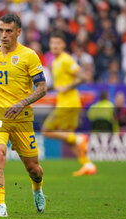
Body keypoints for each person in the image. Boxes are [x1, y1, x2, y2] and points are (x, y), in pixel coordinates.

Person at [0, 14, 47, 217]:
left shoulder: (29, 55)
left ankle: (37, 189)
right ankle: (0, 205)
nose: (3, 35)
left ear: (18, 32)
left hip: (21, 118)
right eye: (1, 30)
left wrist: (21, 103)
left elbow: (42, 88)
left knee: (34, 169)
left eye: (9, 31)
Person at [41, 31, 97, 176]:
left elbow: (82, 77)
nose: (54, 46)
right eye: (52, 43)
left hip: (68, 103)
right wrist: (46, 89)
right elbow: (59, 84)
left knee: (46, 130)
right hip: (65, 102)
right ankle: (88, 165)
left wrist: (66, 88)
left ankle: (80, 138)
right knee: (68, 138)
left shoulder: (66, 59)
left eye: (58, 43)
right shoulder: (55, 62)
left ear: (64, 45)